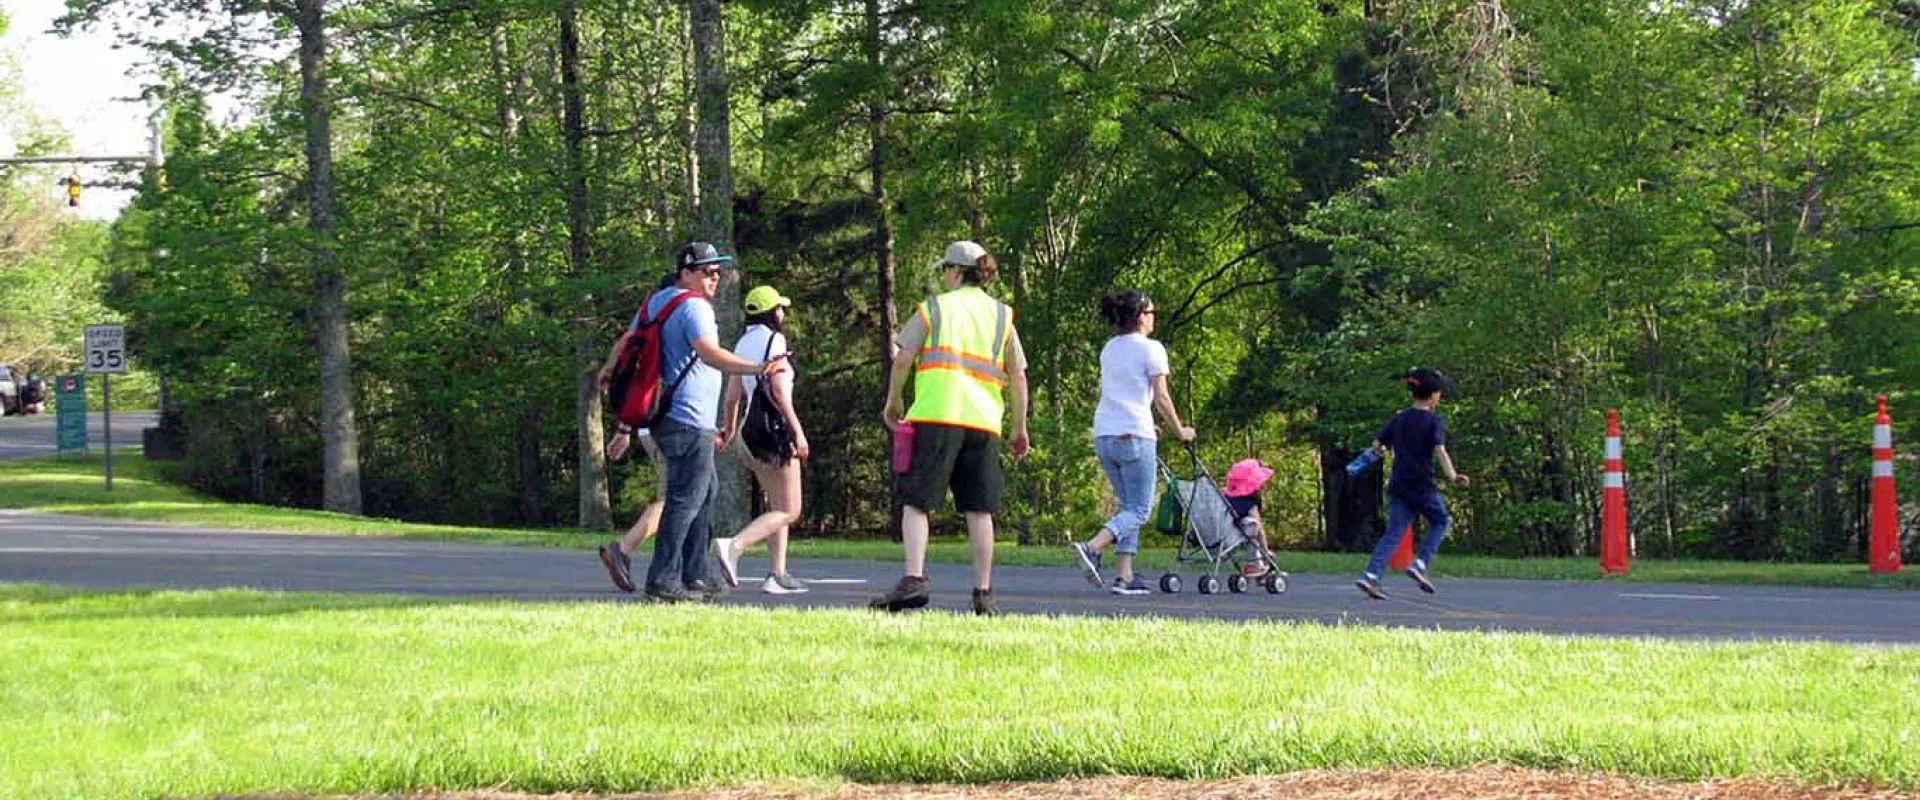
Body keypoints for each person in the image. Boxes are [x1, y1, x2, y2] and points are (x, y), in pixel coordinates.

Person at [596, 242, 785, 604]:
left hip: (666, 417)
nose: (715, 278)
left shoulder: (657, 301)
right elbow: (710, 354)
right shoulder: (695, 306)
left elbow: (626, 340)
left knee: (706, 492)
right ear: (686, 273)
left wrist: (608, 370)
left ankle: (696, 573)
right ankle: (664, 580)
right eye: (707, 271)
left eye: (718, 272)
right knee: (685, 500)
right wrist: (758, 368)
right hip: (687, 417)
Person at [871, 240, 1031, 616]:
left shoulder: (934, 309)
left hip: (936, 414)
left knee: (917, 501)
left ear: (956, 271)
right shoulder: (1001, 316)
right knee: (980, 509)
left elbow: (903, 358)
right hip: (983, 421)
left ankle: (914, 579)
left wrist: (894, 401)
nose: (943, 275)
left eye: (945, 269)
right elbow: (1019, 377)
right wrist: (1018, 428)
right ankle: (983, 593)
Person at [1069, 290, 1194, 596]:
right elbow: (1161, 397)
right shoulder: (1152, 349)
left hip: (1105, 435)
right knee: (1139, 510)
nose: (1154, 320)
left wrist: (1144, 422)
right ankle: (1093, 547)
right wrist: (1180, 431)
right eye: (1152, 314)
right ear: (1140, 316)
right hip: (1134, 437)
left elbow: (1123, 393)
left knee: (1127, 508)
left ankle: (1124, 577)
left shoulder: (1110, 348)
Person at [710, 285, 811, 594]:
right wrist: (798, 432)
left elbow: (731, 398)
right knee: (790, 510)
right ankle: (735, 545)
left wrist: (728, 431)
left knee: (776, 506)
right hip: (775, 432)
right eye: (780, 308)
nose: (782, 313)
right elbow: (780, 391)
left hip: (750, 434)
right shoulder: (775, 340)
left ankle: (776, 574)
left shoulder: (742, 343)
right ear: (772, 312)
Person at [1356, 367, 1470, 600]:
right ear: (1434, 395)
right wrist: (1453, 475)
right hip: (1422, 484)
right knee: (1440, 520)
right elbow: (1440, 451)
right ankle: (1420, 563)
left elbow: (1377, 445)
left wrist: (1369, 458)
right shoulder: (1434, 421)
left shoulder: (1399, 418)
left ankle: (1371, 575)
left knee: (1393, 533)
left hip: (1399, 484)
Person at [598, 274, 679, 594]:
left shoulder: (646, 318)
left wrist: (624, 428)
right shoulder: (676, 316)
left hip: (646, 421)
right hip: (667, 422)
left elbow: (634, 370)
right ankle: (624, 549)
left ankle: (683, 567)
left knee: (681, 497)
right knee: (675, 498)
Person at [1222, 458, 1277, 577]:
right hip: (1235, 535)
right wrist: (1266, 551)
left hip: (1222, 533)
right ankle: (1256, 564)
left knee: (1250, 529)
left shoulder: (1224, 498)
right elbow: (1260, 530)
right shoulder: (1249, 503)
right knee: (1254, 526)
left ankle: (1257, 564)